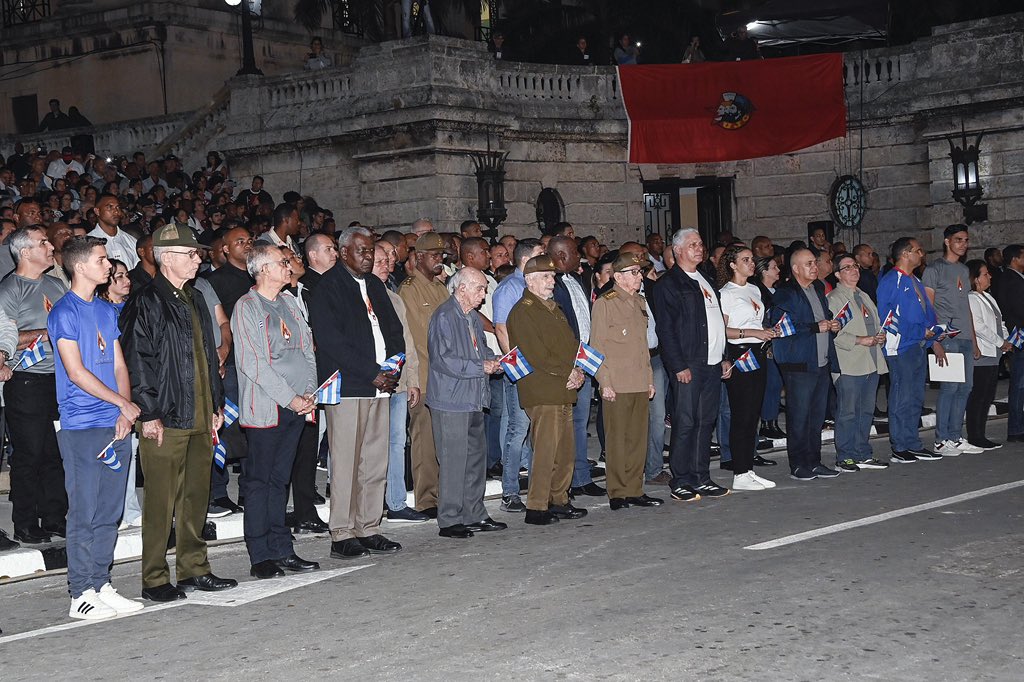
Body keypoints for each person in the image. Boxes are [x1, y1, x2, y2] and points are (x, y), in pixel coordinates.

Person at [120, 223, 236, 602]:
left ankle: (193, 569)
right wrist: (148, 414)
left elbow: (208, 357)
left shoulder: (196, 297)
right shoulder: (146, 301)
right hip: (166, 417)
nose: (198, 258)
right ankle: (153, 578)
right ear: (167, 258)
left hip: (201, 415)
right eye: (191, 254)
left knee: (194, 498)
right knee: (160, 501)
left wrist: (216, 405)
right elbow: (139, 363)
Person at [49, 236, 144, 620]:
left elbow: (120, 365)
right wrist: (122, 402)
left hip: (115, 423)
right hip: (82, 426)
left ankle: (101, 583)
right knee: (84, 511)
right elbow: (75, 372)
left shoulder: (106, 310)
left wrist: (124, 412)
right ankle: (80, 593)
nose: (109, 265)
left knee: (109, 511)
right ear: (81, 266)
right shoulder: (63, 312)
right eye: (102, 259)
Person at [308, 226, 404, 559]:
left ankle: (369, 526)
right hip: (349, 386)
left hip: (381, 386)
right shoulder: (328, 288)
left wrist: (391, 369)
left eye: (370, 251)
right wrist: (372, 373)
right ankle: (342, 532)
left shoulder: (376, 285)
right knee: (347, 460)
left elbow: (394, 331)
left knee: (375, 460)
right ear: (344, 252)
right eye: (361, 251)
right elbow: (332, 342)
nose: (367, 256)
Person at [232, 244, 320, 579]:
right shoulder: (247, 307)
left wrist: (310, 391)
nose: (289, 266)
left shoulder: (289, 303)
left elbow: (307, 350)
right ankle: (260, 553)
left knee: (280, 480)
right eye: (283, 262)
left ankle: (283, 547)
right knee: (260, 481)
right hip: (269, 407)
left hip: (298, 405)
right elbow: (253, 363)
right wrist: (290, 398)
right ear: (264, 269)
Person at [652, 228, 732, 502]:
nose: (700, 248)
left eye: (701, 243)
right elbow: (666, 330)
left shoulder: (706, 279)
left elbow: (717, 322)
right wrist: (677, 365)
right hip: (689, 364)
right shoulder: (669, 285)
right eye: (693, 244)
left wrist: (724, 356)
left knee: (705, 421)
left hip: (711, 362)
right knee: (685, 422)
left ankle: (701, 476)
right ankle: (681, 479)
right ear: (677, 251)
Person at [0, 226, 69, 544]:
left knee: (56, 453)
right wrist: (47, 333)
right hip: (26, 380)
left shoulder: (56, 284)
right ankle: (25, 522)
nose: (51, 246)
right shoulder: (10, 289)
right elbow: (6, 339)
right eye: (43, 242)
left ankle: (55, 517)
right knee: (29, 454)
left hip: (60, 378)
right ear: (24, 252)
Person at [507, 255, 588, 525]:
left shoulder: (553, 308)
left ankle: (559, 499)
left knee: (564, 449)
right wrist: (570, 372)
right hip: (543, 389)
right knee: (544, 450)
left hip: (562, 387)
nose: (551, 281)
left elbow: (570, 345)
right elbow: (536, 354)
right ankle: (537, 506)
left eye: (552, 276)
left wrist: (579, 370)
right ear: (529, 280)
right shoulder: (524, 311)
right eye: (545, 277)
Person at [428, 267, 506, 538]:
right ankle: (449, 519)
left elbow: (480, 348)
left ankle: (474, 512)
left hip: (473, 397)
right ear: (462, 288)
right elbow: (442, 359)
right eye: (480, 288)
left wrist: (493, 361)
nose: (483, 295)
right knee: (452, 460)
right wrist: (480, 366)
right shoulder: (444, 316)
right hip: (451, 399)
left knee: (475, 458)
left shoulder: (471, 317)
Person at [590, 253, 662, 509]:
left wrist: (649, 379)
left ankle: (635, 488)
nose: (639, 276)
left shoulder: (640, 302)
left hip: (639, 380)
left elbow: (643, 347)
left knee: (637, 439)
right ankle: (617, 492)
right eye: (633, 273)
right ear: (618, 277)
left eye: (639, 272)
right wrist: (604, 382)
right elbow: (596, 347)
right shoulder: (605, 303)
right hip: (617, 382)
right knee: (617, 439)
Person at [769, 248, 842, 481]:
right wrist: (814, 327)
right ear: (796, 269)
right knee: (799, 416)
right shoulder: (785, 293)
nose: (814, 267)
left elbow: (822, 315)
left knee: (816, 416)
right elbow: (780, 327)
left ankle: (814, 460)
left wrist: (833, 323)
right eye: (809, 263)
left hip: (820, 362)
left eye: (814, 263)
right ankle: (798, 464)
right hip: (798, 362)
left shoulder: (818, 287)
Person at [371, 244, 428, 524]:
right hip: (370, 383)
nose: (385, 265)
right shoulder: (360, 296)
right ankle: (370, 503)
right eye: (378, 261)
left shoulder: (394, 298)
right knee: (370, 445)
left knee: (397, 442)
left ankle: (395, 502)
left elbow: (409, 343)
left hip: (398, 381)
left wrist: (413, 380)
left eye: (387, 260)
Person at [877, 237, 944, 464]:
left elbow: (927, 311)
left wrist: (934, 331)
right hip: (901, 347)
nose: (922, 254)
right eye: (918, 250)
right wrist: (918, 331)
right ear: (905, 254)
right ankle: (900, 446)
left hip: (917, 345)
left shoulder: (914, 279)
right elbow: (887, 317)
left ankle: (913, 442)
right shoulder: (891, 281)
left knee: (915, 397)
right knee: (901, 397)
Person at [398, 232, 451, 517]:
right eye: (433, 255)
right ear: (418, 257)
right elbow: (419, 339)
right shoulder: (410, 290)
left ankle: (444, 493)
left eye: (441, 255)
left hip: (447, 376)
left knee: (443, 439)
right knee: (425, 439)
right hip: (427, 374)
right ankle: (427, 498)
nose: (439, 260)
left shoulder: (441, 288)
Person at [717, 246, 778, 491]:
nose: (751, 263)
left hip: (759, 352)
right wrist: (754, 332)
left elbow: (755, 319)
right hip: (740, 353)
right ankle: (739, 472)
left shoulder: (754, 289)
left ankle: (748, 469)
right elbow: (723, 330)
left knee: (753, 413)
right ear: (732, 265)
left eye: (752, 259)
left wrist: (767, 332)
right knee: (741, 414)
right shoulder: (725, 293)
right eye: (745, 260)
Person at [491, 238, 543, 512]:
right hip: (522, 369)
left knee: (539, 430)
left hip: (541, 369)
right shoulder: (510, 288)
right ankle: (510, 491)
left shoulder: (539, 286)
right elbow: (502, 330)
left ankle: (538, 488)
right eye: (540, 255)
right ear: (525, 260)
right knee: (518, 429)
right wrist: (518, 367)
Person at [549, 235, 602, 498]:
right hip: (565, 365)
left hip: (584, 360)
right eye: (573, 252)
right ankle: (563, 482)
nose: (579, 257)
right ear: (560, 256)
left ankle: (581, 477)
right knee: (564, 426)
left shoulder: (576, 279)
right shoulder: (551, 285)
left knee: (580, 424)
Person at [922, 225, 982, 455]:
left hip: (965, 336)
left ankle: (955, 436)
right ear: (947, 241)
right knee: (949, 387)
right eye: (958, 240)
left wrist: (974, 340)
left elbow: (966, 306)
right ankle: (941, 439)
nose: (963, 244)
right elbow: (928, 306)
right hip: (947, 336)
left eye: (966, 240)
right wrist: (934, 339)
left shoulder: (964, 270)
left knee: (965, 387)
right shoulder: (934, 269)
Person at [827, 253, 890, 471]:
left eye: (855, 266)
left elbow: (874, 323)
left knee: (865, 411)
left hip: (871, 360)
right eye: (847, 267)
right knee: (848, 411)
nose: (854, 270)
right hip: (849, 363)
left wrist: (880, 336)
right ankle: (845, 456)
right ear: (837, 274)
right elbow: (833, 333)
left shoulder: (863, 295)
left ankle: (863, 452)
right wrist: (859, 340)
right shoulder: (834, 298)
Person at [98, 259, 143, 528]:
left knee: (131, 448)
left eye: (128, 275)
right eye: (120, 276)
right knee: (114, 446)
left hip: (133, 382)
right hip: (112, 383)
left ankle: (130, 507)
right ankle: (116, 509)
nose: (127, 281)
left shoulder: (134, 307)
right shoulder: (102, 311)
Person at [966, 259, 1011, 450]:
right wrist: (1001, 342)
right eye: (985, 274)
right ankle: (975, 436)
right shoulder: (972, 298)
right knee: (979, 396)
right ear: (976, 279)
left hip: (994, 352)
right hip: (983, 352)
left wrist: (1007, 340)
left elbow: (999, 322)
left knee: (987, 395)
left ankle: (981, 434)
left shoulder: (987, 296)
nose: (989, 276)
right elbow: (979, 327)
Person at [996, 244, 1024, 442]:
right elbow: (1019, 310)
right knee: (1019, 383)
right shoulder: (1012, 280)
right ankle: (1016, 428)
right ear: (1015, 259)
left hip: (1018, 334)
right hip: (1020, 335)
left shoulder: (1012, 278)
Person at [87, 194, 139, 269]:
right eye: (110, 207)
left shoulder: (131, 241)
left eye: (118, 207)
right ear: (97, 211)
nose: (116, 212)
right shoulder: (88, 242)